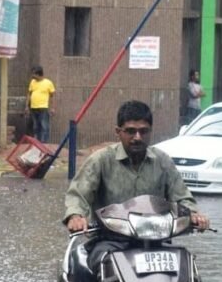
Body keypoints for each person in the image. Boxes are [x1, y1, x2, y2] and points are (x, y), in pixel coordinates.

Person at [64, 100, 210, 235]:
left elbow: (182, 197)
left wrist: (193, 214)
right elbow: (78, 194)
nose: (138, 137)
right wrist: (76, 216)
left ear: (150, 131)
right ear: (118, 132)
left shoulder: (163, 161)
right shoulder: (101, 160)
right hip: (108, 239)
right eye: (131, 131)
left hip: (156, 238)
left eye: (143, 131)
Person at [27, 66, 55, 143]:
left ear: (39, 74)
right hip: (33, 107)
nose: (32, 76)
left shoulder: (48, 83)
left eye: (34, 74)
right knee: (35, 126)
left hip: (43, 107)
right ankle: (37, 142)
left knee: (44, 126)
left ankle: (44, 143)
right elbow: (29, 94)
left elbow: (52, 96)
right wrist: (27, 106)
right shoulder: (32, 82)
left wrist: (52, 108)